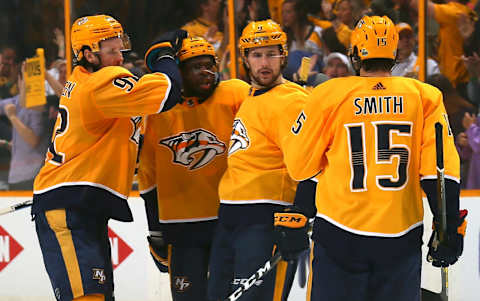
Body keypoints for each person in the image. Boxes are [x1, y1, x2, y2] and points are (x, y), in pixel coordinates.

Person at [281, 15, 468, 301]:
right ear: (393, 54)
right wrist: (448, 227)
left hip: (339, 235)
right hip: (400, 237)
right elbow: (440, 171)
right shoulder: (424, 96)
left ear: (354, 54)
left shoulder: (328, 94)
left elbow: (299, 166)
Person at [31, 14, 186, 301]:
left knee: (99, 296)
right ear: (88, 54)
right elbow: (168, 92)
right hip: (69, 207)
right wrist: (163, 54)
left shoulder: (86, 81)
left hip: (80, 206)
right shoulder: (102, 82)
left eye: (120, 49)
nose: (120, 57)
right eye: (111, 51)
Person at [137, 36, 250, 301]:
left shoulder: (235, 93)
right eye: (196, 66)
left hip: (229, 220)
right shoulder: (158, 110)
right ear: (178, 72)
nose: (206, 72)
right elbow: (148, 175)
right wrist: (155, 230)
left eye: (209, 65)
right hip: (181, 228)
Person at [207, 19, 311, 301]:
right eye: (257, 55)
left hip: (267, 220)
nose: (264, 62)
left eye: (271, 54)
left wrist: (299, 215)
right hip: (230, 218)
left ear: (283, 56)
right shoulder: (249, 98)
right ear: (245, 59)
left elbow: (308, 164)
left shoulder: (291, 100)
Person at [0, 64, 49, 190]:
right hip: (15, 176)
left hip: (33, 175)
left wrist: (13, 118)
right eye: (28, 80)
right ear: (20, 81)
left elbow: (33, 141)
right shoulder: (13, 101)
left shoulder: (38, 107)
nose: (31, 84)